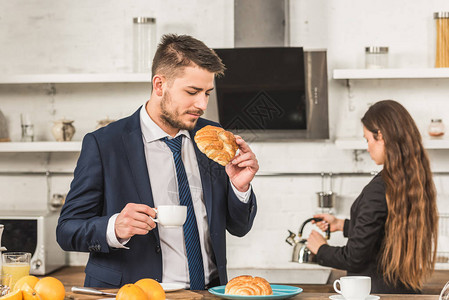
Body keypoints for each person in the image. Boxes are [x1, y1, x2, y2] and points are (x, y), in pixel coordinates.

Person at [56, 34, 259, 289]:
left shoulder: (214, 138)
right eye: (193, 92)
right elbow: (67, 230)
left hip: (210, 292)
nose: (202, 104)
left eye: (207, 93)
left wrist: (240, 189)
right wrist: (114, 228)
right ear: (159, 85)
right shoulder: (105, 144)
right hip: (135, 293)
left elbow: (239, 227)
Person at [307, 100, 438, 294]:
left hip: (374, 294)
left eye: (368, 139)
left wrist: (321, 249)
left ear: (381, 136)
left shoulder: (378, 189)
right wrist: (342, 225)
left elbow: (354, 257)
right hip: (404, 293)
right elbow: (385, 232)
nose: (367, 147)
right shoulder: (413, 181)